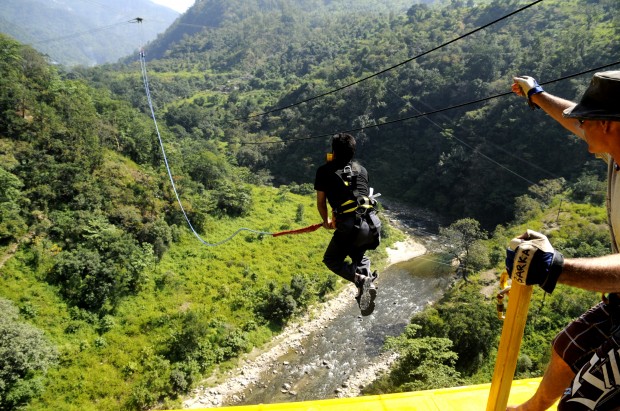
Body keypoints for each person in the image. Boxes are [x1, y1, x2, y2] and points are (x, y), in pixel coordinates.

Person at [506, 71, 620, 410]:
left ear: (609, 124)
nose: (581, 124)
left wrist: (554, 266)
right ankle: (532, 407)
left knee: (581, 402)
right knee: (566, 348)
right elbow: (571, 118)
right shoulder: (616, 151)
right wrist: (536, 95)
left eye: (590, 118)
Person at [314, 133, 382, 315]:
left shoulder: (324, 171)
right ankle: (365, 285)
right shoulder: (363, 170)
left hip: (350, 226)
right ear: (353, 151)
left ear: (333, 151)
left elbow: (321, 203)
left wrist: (327, 221)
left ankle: (360, 280)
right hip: (372, 224)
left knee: (331, 259)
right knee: (359, 255)